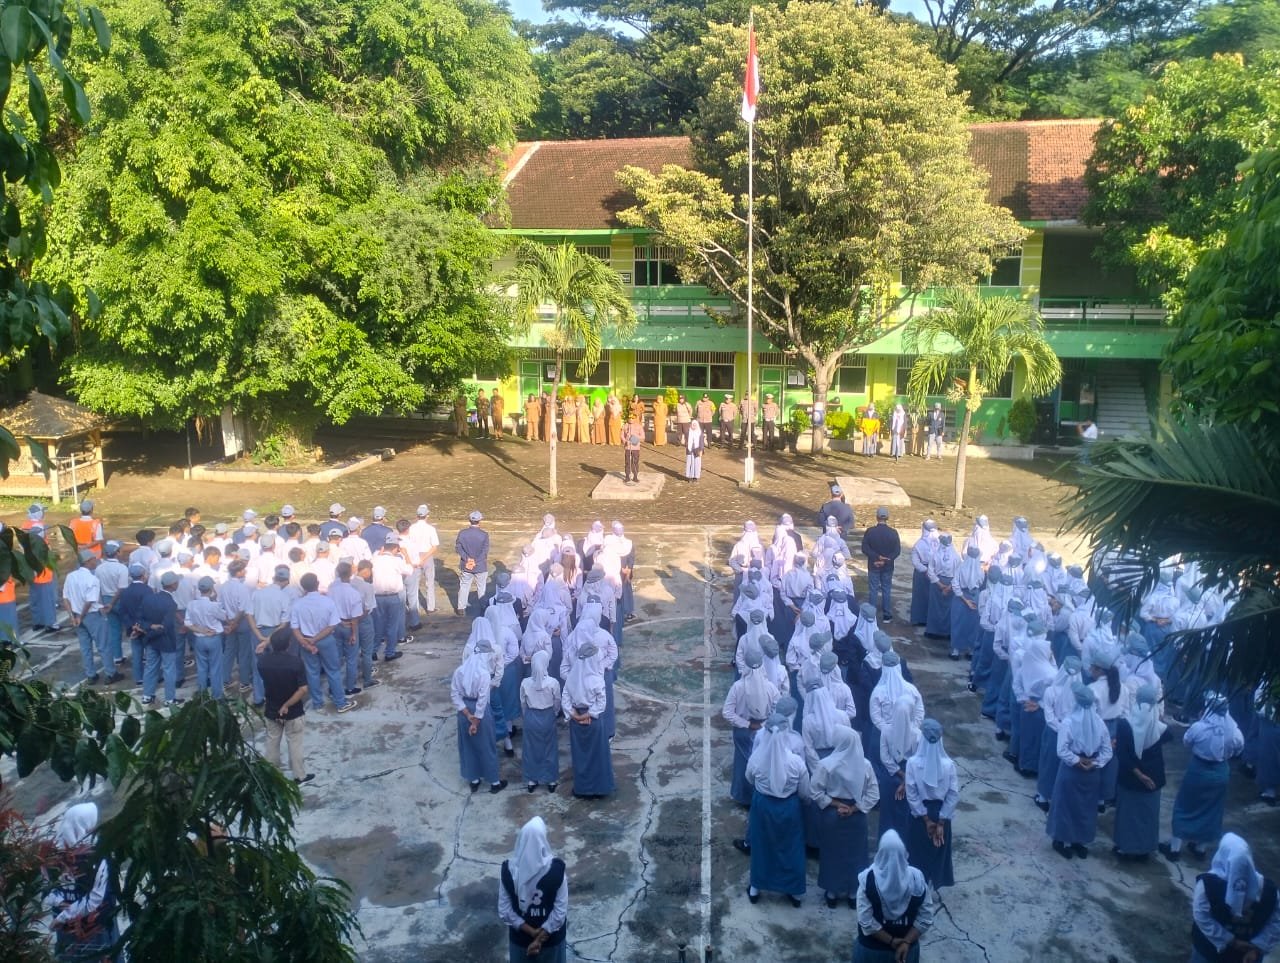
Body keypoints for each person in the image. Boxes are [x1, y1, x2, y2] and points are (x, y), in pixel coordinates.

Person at [1162, 695, 1245, 863]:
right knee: (1212, 810)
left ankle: (1175, 849)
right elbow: (1239, 748)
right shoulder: (1234, 730)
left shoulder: (1199, 727)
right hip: (1221, 772)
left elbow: (1187, 742)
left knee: (1185, 806)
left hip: (1198, 770)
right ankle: (1200, 848)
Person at [744, 714, 809, 907]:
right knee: (791, 847)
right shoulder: (796, 761)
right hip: (789, 807)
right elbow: (805, 791)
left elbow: (749, 779)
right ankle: (795, 892)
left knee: (762, 846)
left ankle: (756, 887)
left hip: (763, 806)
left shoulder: (757, 758)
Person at [811, 723, 878, 909]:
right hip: (856, 817)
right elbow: (873, 794)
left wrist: (836, 804)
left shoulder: (826, 765)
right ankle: (852, 893)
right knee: (856, 854)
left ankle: (832, 891)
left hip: (832, 815)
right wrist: (854, 808)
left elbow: (815, 791)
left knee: (831, 853)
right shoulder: (865, 765)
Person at [45, 802, 120, 961]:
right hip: (93, 927)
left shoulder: (53, 852)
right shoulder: (97, 856)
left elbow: (47, 891)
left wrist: (62, 913)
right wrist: (62, 908)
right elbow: (95, 900)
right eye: (91, 823)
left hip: (74, 925)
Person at [1189, 833, 1280, 963]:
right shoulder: (1270, 890)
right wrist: (1258, 947)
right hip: (1248, 956)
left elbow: (1201, 916)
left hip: (1209, 952)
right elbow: (1276, 921)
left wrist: (1229, 940)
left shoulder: (1207, 884)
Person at [1048, 682, 1112, 859]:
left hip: (1071, 771)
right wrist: (1095, 763)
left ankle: (1062, 841)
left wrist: (1077, 761)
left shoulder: (1068, 722)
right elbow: (1108, 751)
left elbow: (1062, 750)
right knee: (1085, 809)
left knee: (1066, 806)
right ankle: (1079, 842)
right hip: (1091, 773)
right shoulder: (1100, 723)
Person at [853, 830, 934, 963]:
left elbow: (866, 922)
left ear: (880, 853)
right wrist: (906, 942)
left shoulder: (867, 879)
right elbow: (926, 918)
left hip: (872, 952)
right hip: (905, 953)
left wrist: (891, 941)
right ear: (904, 853)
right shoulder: (917, 878)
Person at [499, 817, 569, 963]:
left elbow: (505, 911)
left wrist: (532, 932)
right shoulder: (557, 870)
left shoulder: (508, 871)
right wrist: (539, 939)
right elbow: (559, 913)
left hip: (521, 941)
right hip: (551, 942)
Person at [1112, 684, 1170, 860]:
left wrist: (1139, 774)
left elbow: (1122, 754)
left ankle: (1125, 849)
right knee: (1148, 815)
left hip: (1130, 778)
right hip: (1154, 778)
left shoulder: (1125, 725)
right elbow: (1168, 738)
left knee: (1128, 815)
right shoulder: (1160, 728)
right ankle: (1144, 849)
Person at [724, 642, 782, 806]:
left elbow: (727, 712)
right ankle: (759, 795)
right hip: (765, 729)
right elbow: (778, 709)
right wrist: (765, 723)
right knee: (762, 762)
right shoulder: (770, 687)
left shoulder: (738, 687)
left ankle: (742, 796)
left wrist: (746, 724)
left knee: (743, 762)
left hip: (743, 730)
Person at [904, 719, 958, 891]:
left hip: (920, 815)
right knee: (938, 852)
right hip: (942, 812)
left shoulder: (912, 763)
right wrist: (941, 821)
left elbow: (911, 794)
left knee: (917, 852)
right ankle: (932, 885)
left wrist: (927, 820)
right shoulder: (949, 765)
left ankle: (918, 887)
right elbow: (953, 794)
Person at [291, 573, 354, 713]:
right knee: (333, 671)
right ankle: (340, 702)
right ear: (317, 583)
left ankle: (318, 703)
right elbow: (332, 626)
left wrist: (306, 643)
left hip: (306, 640)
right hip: (325, 640)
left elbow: (294, 627)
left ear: (303, 587)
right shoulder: (327, 601)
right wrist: (315, 640)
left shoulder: (297, 604)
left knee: (312, 673)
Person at [257, 626, 313, 784]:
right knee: (295, 743)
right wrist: (287, 704)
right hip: (293, 711)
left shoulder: (263, 662)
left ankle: (272, 774)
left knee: (272, 742)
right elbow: (302, 689)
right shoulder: (295, 662)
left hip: (271, 708)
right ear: (288, 644)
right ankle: (299, 775)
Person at [452, 637, 507, 793]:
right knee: (487, 746)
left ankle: (474, 779)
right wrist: (475, 722)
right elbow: (482, 700)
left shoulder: (459, 671)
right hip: (479, 712)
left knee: (468, 746)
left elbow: (455, 695)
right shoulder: (483, 674)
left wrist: (468, 716)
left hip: (464, 711)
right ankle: (494, 782)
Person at [562, 642, 614, 798]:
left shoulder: (572, 678)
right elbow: (601, 704)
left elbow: (565, 699)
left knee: (580, 756)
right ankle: (600, 789)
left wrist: (575, 715)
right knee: (598, 755)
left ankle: (582, 789)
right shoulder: (597, 680)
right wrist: (588, 716)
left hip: (576, 721)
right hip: (593, 721)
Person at [63, 550, 119, 686]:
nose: (96, 561)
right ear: (88, 561)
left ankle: (91, 675)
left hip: (76, 615)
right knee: (103, 645)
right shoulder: (92, 579)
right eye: (94, 559)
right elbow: (89, 601)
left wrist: (73, 616)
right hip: (91, 615)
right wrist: (81, 616)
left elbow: (65, 597)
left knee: (85, 647)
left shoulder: (71, 576)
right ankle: (111, 673)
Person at [520, 650, 561, 794]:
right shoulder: (553, 683)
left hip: (531, 716)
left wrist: (527, 716)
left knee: (531, 748)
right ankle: (551, 780)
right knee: (549, 748)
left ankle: (532, 780)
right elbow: (557, 702)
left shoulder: (525, 683)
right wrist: (554, 714)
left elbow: (523, 703)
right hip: (548, 716)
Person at [139, 570, 183, 707]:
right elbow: (167, 626)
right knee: (169, 670)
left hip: (151, 641)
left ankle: (147, 695)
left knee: (150, 667)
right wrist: (154, 630)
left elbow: (141, 618)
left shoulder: (149, 598)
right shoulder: (171, 603)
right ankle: (169, 699)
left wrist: (149, 630)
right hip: (166, 641)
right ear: (173, 584)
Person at [861, 508, 900, 623]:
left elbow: (865, 548)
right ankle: (887, 615)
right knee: (886, 589)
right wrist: (886, 560)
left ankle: (871, 615)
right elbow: (897, 551)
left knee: (873, 590)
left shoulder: (870, 531)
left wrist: (877, 557)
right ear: (887, 518)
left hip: (873, 564)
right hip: (888, 566)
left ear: (877, 517)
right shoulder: (893, 533)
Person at [455, 510, 489, 616]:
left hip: (466, 565)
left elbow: (458, 548)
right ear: (480, 520)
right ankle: (483, 607)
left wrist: (467, 559)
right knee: (481, 587)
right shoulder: (484, 535)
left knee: (464, 586)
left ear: (469, 520)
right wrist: (475, 561)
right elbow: (485, 551)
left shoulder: (462, 533)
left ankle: (461, 608)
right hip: (480, 565)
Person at [909, 521, 938, 626]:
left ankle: (920, 618)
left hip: (922, 572)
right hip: (934, 571)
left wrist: (925, 570)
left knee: (921, 596)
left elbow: (915, 561)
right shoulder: (939, 543)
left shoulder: (918, 544)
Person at [622, 414, 643, 484]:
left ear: (635, 418)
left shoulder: (639, 426)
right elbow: (622, 435)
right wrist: (625, 441)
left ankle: (635, 476)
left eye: (632, 418)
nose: (631, 419)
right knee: (627, 462)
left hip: (636, 447)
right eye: (629, 418)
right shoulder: (625, 426)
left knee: (635, 462)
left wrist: (635, 439)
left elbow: (642, 436)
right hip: (628, 447)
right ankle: (627, 476)